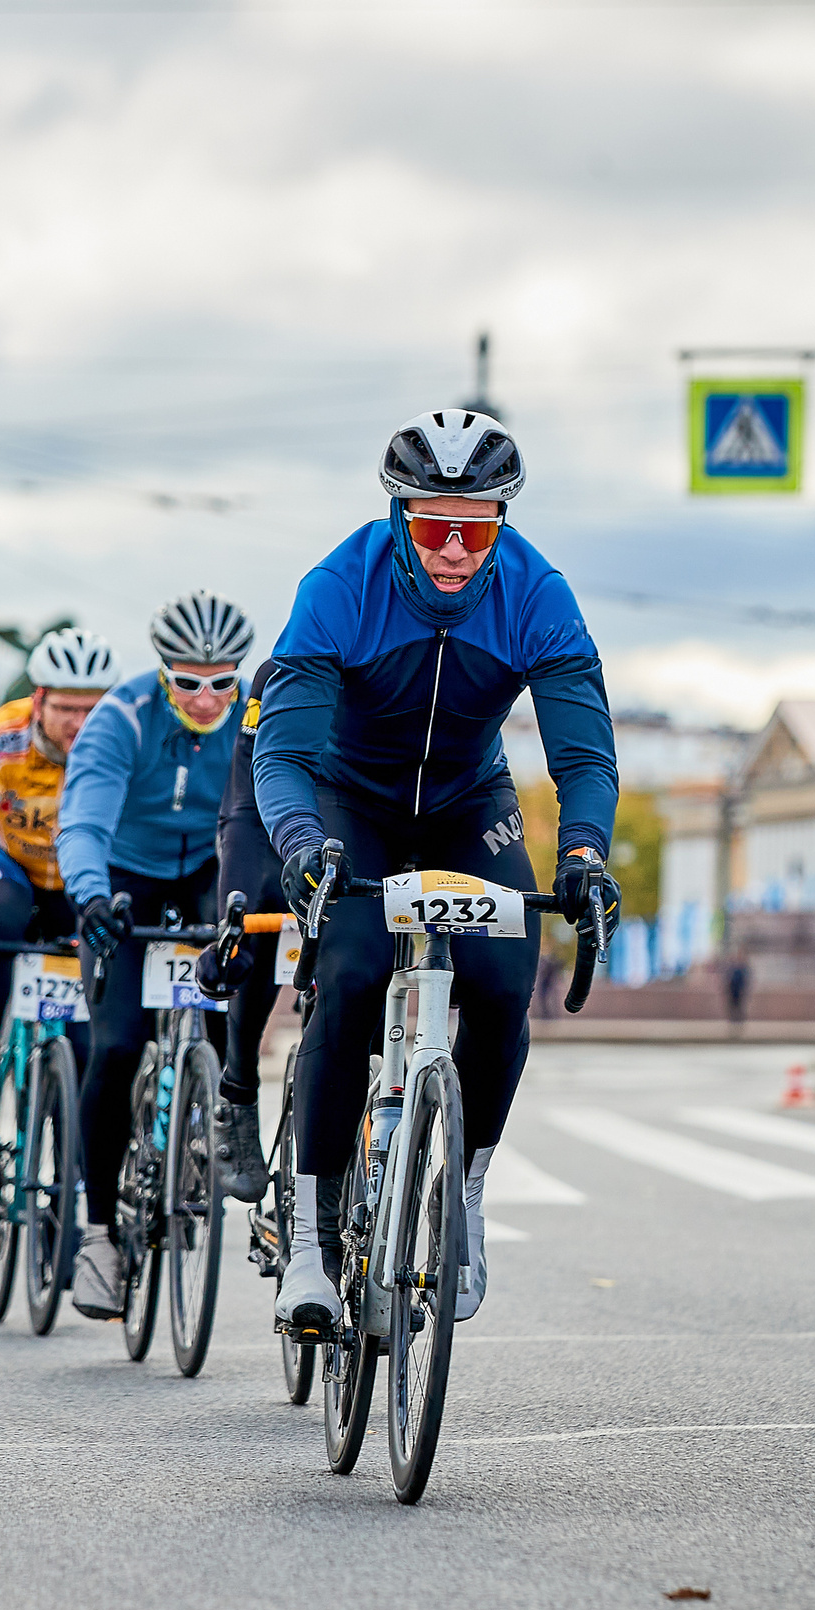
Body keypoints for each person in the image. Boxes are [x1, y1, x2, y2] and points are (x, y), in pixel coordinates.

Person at [255, 410, 620, 1332]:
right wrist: (300, 842)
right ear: (397, 518)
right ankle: (309, 1238)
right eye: (431, 526)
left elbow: (584, 755)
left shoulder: (539, 592)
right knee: (348, 975)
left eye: (477, 526)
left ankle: (463, 1196)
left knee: (503, 986)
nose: (454, 549)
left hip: (467, 799)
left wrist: (583, 852)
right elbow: (284, 752)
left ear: (502, 521)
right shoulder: (339, 585)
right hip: (348, 797)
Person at [57, 593, 254, 1321]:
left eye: (221, 681)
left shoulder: (252, 716)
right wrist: (90, 897)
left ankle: (220, 1117)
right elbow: (82, 819)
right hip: (126, 875)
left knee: (231, 1000)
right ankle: (100, 1235)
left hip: (212, 867)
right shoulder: (120, 717)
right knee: (113, 1048)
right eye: (188, 680)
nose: (206, 697)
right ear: (163, 673)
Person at [0, 629, 120, 1150]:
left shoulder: (116, 737)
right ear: (38, 700)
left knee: (88, 1030)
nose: (79, 723)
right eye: (65, 708)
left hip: (79, 877)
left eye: (92, 708)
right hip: (11, 863)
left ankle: (75, 1159)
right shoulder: (3, 734)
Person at [191, 653, 288, 1207]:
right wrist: (236, 917)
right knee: (254, 918)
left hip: (365, 826)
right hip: (267, 824)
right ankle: (240, 1085)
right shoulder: (278, 674)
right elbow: (244, 807)